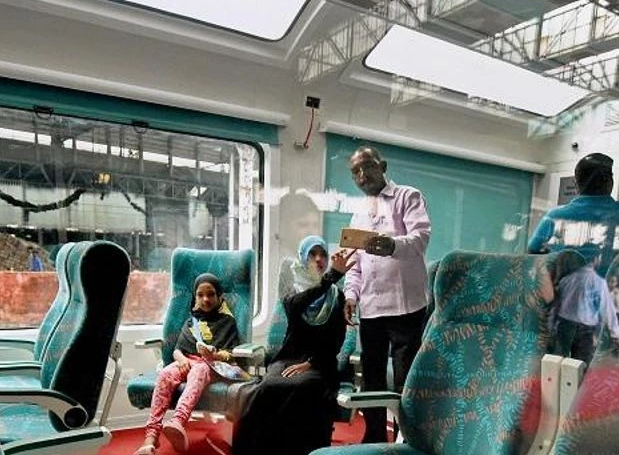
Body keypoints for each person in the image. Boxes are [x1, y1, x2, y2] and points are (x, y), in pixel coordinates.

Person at [232, 236, 355, 455]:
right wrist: (331, 277)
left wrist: (310, 364)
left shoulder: (337, 296)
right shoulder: (293, 290)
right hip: (288, 358)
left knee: (303, 387)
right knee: (268, 387)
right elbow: (297, 306)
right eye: (312, 254)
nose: (318, 259)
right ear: (302, 259)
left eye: (323, 254)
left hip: (320, 363)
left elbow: (336, 341)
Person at [343, 146, 430, 443]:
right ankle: (375, 435)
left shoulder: (409, 196)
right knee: (372, 380)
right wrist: (351, 295)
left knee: (406, 379)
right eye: (355, 171)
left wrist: (391, 245)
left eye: (367, 167)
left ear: (383, 165)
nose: (362, 175)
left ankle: (407, 438)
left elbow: (420, 239)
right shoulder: (358, 213)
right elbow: (354, 265)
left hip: (406, 306)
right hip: (371, 308)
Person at [133, 274, 241, 455]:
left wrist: (215, 354)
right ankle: (150, 438)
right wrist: (182, 361)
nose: (205, 299)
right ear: (195, 297)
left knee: (199, 369)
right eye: (200, 295)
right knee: (166, 374)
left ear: (220, 296)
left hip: (210, 365)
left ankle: (178, 422)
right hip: (187, 361)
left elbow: (232, 354)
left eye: (211, 294)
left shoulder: (227, 322)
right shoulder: (191, 322)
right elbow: (177, 350)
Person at [555, 258, 619, 367]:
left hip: (564, 326)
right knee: (579, 365)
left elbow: (557, 305)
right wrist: (615, 332)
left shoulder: (566, 280)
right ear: (595, 259)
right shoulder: (598, 282)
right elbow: (607, 309)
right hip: (584, 330)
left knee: (560, 362)